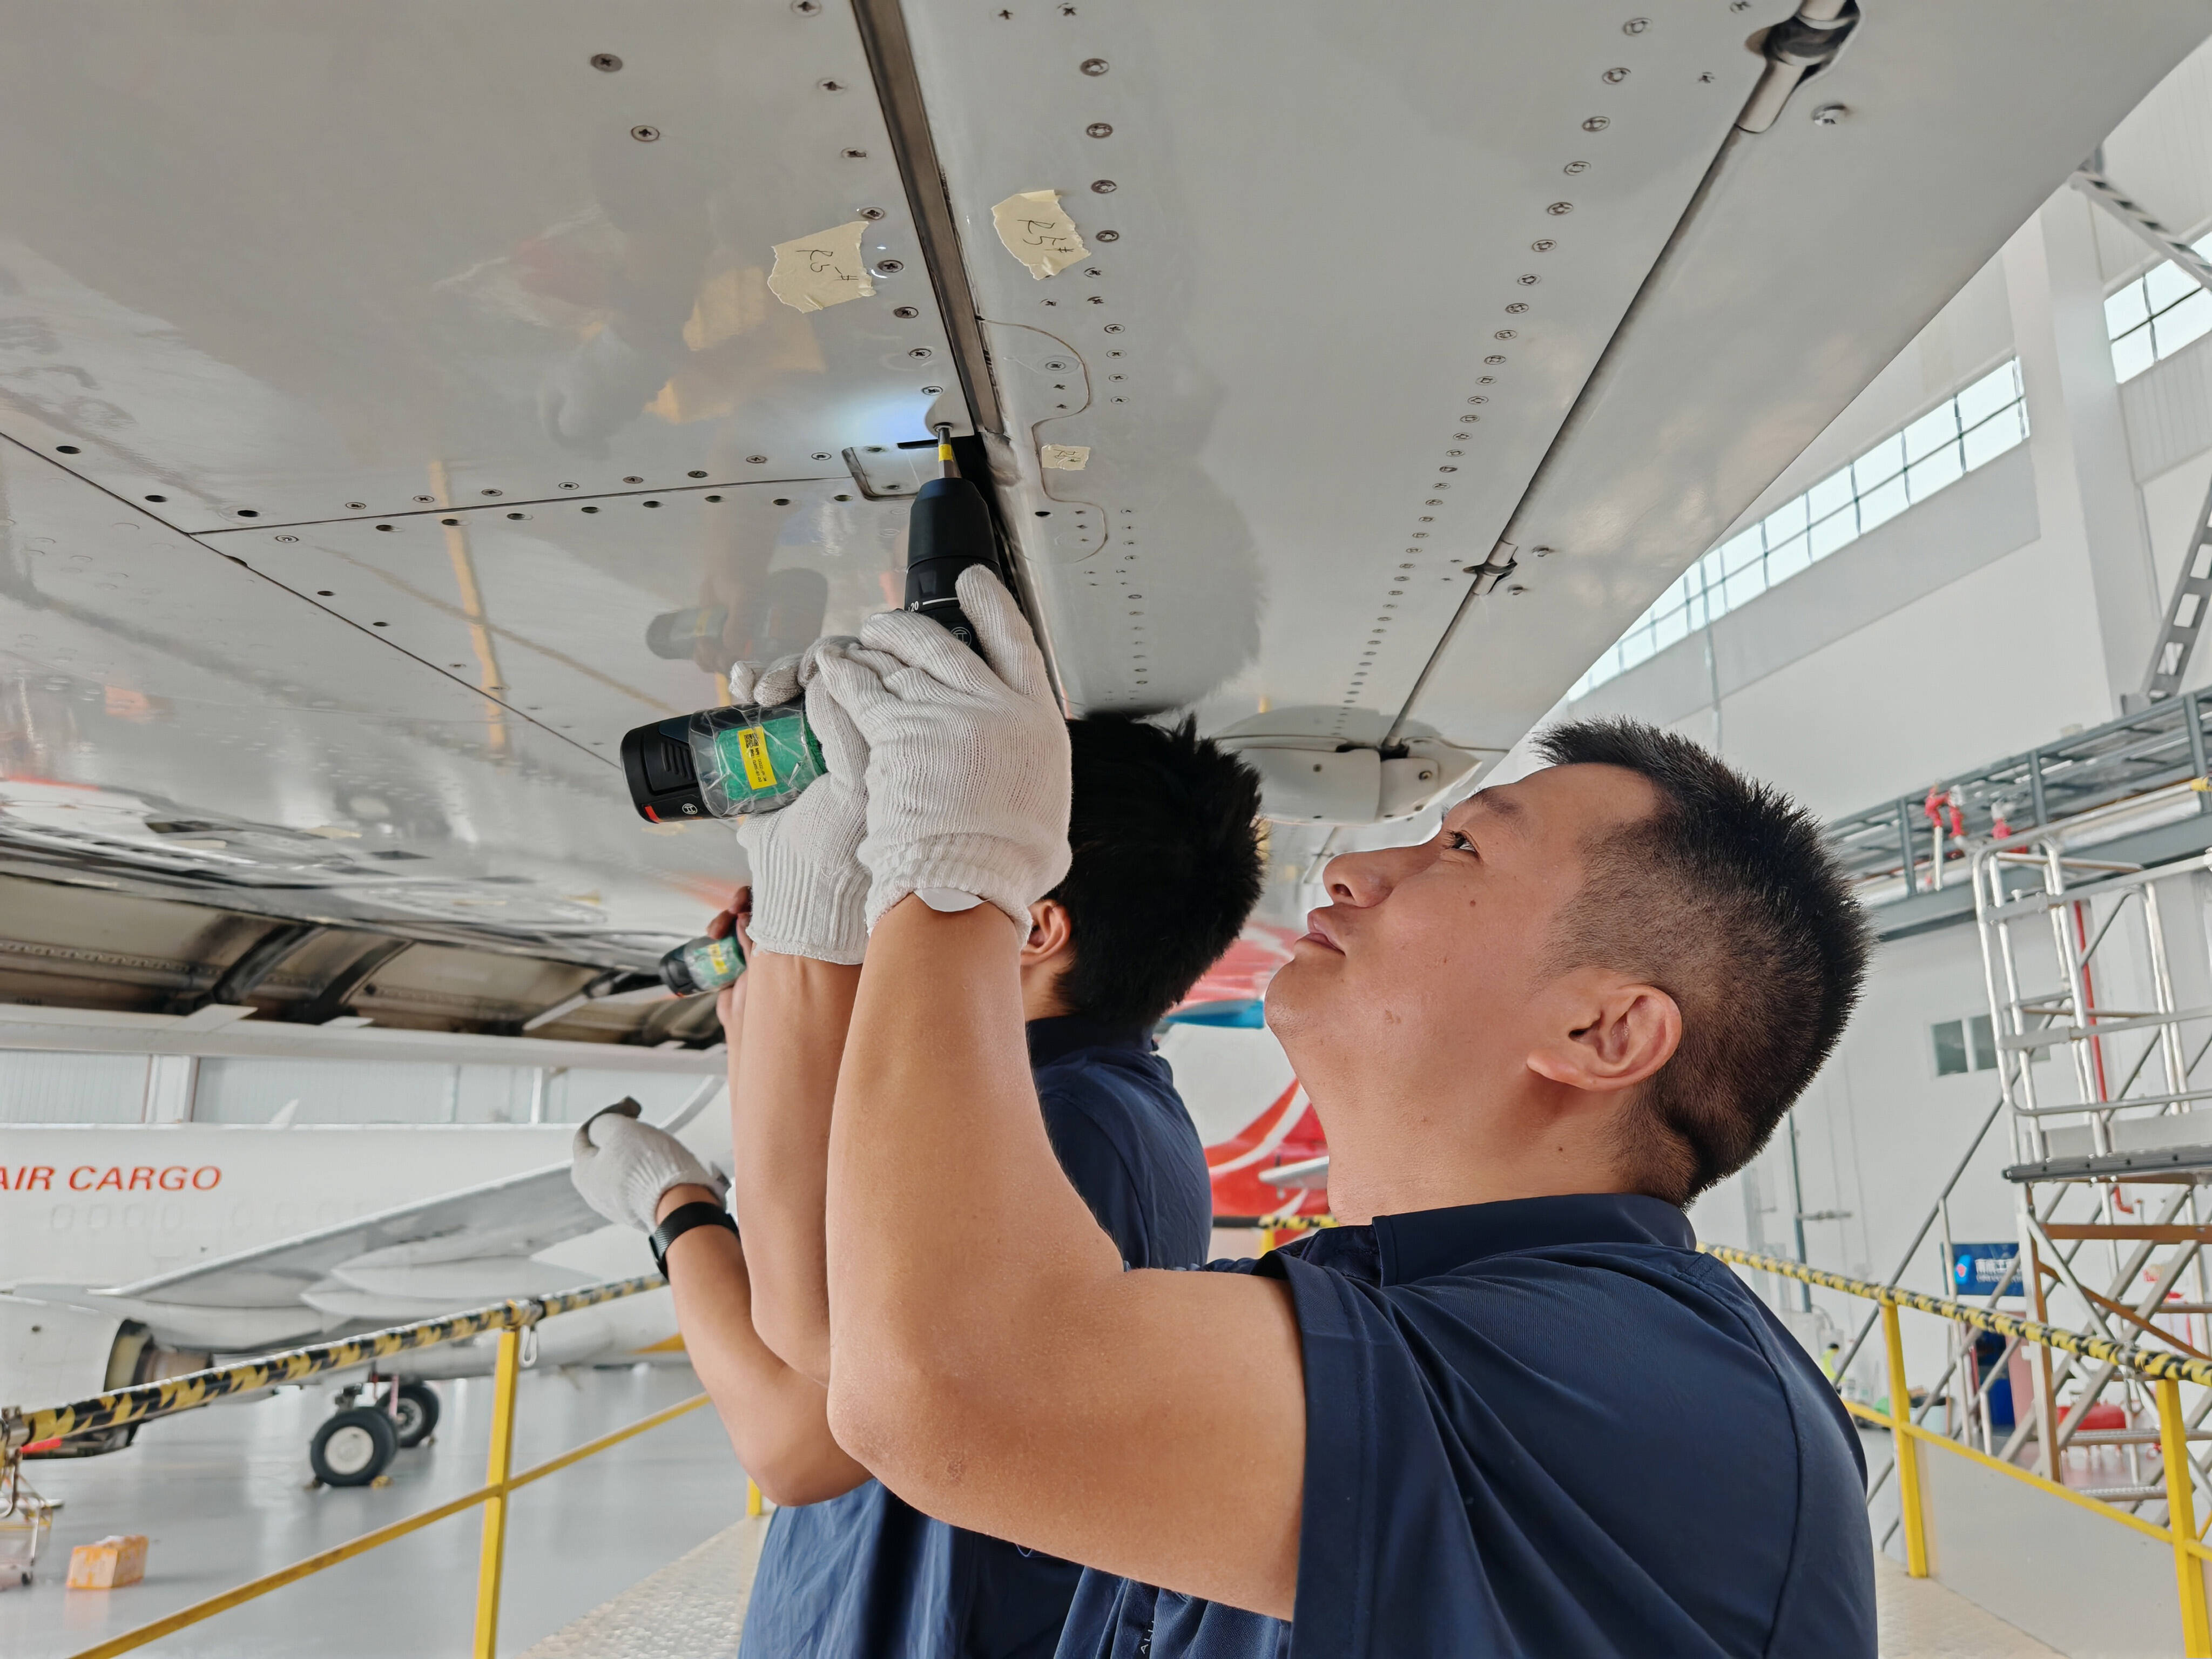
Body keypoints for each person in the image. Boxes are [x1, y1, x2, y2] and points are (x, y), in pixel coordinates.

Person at [792, 569, 1878, 1658]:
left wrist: (955, 862)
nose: (1355, 869)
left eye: (1463, 849)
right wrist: (815, 919)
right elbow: (859, 1351)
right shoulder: (1406, 1313)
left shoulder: (1644, 1387)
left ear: (1602, 1033)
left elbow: (951, 1386)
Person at [569, 653, 1267, 1658]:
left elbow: (796, 1441)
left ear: (1035, 928)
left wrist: (673, 1207)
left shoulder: (1059, 1125)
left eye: (916, 853)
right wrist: (774, 1018)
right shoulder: (1073, 1093)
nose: (880, 890)